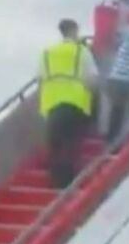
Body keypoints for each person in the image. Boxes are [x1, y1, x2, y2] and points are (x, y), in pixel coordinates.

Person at [38, 19, 99, 188]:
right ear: (74, 31)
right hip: (76, 102)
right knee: (72, 144)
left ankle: (56, 181)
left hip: (51, 104)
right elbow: (93, 78)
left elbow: (40, 77)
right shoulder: (81, 52)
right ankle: (69, 182)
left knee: (55, 145)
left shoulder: (47, 53)